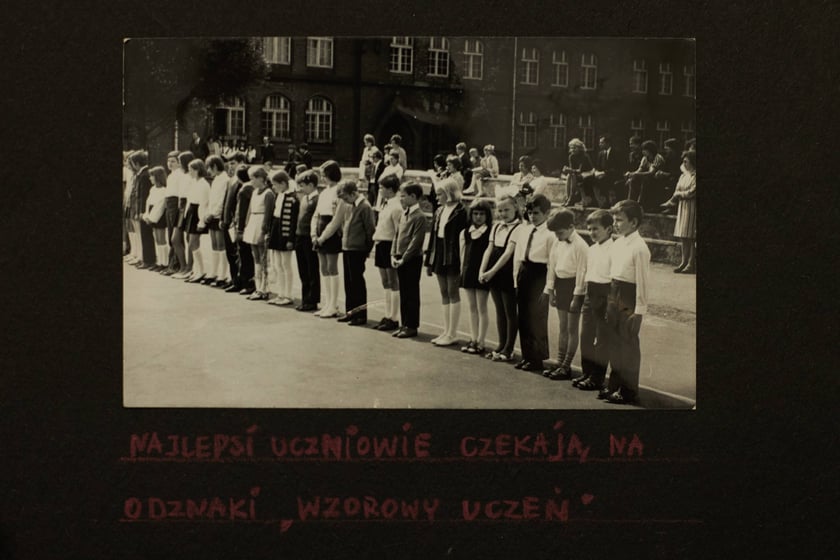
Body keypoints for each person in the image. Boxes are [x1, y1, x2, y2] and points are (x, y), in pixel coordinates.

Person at [602, 199, 650, 405]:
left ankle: (628, 391)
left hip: (629, 296)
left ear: (634, 222)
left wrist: (639, 312)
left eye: (619, 220)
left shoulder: (640, 248)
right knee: (614, 343)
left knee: (627, 344)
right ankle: (615, 385)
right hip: (614, 292)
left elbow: (643, 282)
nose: (615, 223)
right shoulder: (618, 243)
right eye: (614, 219)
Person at [541, 208, 588, 380]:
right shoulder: (557, 241)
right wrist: (550, 290)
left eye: (560, 232)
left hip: (574, 287)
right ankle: (559, 362)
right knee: (562, 327)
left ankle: (566, 365)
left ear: (571, 227)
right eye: (555, 233)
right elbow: (552, 266)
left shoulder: (581, 245)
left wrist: (577, 297)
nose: (557, 236)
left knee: (571, 328)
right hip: (560, 285)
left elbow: (582, 272)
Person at [512, 194, 555, 372]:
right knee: (523, 317)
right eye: (529, 213)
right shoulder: (525, 230)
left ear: (547, 213)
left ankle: (537, 359)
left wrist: (548, 287)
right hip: (524, 272)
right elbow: (518, 256)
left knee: (536, 317)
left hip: (539, 274)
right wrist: (516, 280)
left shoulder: (550, 235)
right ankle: (527, 356)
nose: (532, 216)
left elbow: (552, 263)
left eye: (536, 213)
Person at [574, 209, 614, 392]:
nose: (591, 233)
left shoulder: (614, 250)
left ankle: (597, 378)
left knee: (602, 339)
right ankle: (587, 372)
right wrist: (582, 295)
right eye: (589, 229)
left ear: (609, 229)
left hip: (605, 294)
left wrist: (609, 303)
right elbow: (586, 274)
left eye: (596, 229)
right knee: (586, 336)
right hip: (590, 293)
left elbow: (613, 278)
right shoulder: (591, 249)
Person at [478, 195, 522, 362]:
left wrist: (491, 272)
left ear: (515, 208)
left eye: (507, 210)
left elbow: (508, 253)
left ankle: (509, 349)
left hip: (507, 271)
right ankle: (501, 344)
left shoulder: (519, 227)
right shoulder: (496, 226)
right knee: (499, 310)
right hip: (493, 271)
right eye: (500, 210)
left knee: (510, 311)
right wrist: (482, 270)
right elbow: (489, 249)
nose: (503, 213)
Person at [425, 177, 467, 346]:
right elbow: (433, 238)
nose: (437, 197)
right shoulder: (439, 211)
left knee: (452, 291)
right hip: (439, 252)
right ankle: (446, 330)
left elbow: (463, 238)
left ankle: (452, 333)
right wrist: (429, 261)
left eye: (439, 194)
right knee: (444, 292)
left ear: (449, 193)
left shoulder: (461, 211)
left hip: (453, 254)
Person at [391, 182, 428, 338]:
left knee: (411, 292)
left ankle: (412, 325)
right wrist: (393, 254)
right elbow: (396, 235)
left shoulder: (419, 217)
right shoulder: (403, 214)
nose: (401, 199)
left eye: (403, 196)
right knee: (404, 292)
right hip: (400, 258)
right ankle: (404, 323)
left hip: (412, 259)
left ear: (413, 196)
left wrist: (404, 258)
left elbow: (416, 241)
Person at [335, 180, 375, 325]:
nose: (345, 201)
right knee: (349, 282)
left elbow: (370, 230)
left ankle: (360, 315)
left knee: (357, 283)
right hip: (348, 248)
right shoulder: (349, 206)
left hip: (358, 249)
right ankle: (350, 312)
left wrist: (367, 249)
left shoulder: (365, 207)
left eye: (346, 197)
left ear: (353, 194)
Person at [459, 199, 493, 355]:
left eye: (482, 214)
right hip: (468, 272)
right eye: (475, 214)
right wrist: (462, 272)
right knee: (472, 307)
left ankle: (481, 341)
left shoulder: (490, 232)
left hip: (481, 273)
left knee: (482, 307)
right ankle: (473, 338)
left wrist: (485, 272)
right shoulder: (465, 232)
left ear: (487, 216)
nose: (478, 217)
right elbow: (462, 254)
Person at [312, 161, 345, 318]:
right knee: (323, 268)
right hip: (320, 230)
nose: (322, 178)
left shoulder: (339, 191)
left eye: (324, 175)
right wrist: (314, 234)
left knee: (332, 267)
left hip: (331, 233)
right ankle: (327, 303)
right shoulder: (324, 192)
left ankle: (334, 305)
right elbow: (316, 214)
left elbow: (337, 219)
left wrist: (323, 236)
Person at [371, 174, 403, 331]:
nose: (380, 190)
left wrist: (396, 251)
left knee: (393, 281)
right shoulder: (385, 204)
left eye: (382, 188)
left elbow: (399, 231)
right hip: (381, 243)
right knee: (385, 281)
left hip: (390, 245)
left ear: (390, 189)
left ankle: (394, 317)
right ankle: (387, 314)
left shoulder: (396, 207)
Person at [242, 167, 276, 300]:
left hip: (261, 224)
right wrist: (247, 225)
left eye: (253, 179)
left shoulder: (268, 194)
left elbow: (268, 215)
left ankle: (265, 288)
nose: (251, 181)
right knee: (255, 257)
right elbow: (249, 211)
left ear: (261, 178)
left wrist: (264, 231)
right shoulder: (254, 192)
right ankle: (258, 288)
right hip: (253, 223)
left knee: (263, 258)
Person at [266, 170, 299, 305]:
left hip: (285, 231)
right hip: (276, 228)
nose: (273, 187)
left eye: (275, 184)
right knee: (277, 264)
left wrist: (291, 239)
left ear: (283, 183)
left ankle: (288, 294)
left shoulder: (292, 198)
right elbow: (274, 215)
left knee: (286, 264)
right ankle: (281, 293)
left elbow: (293, 220)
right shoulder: (278, 195)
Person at [661, 150, 696, 274]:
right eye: (683, 161)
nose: (684, 164)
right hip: (683, 207)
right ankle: (683, 262)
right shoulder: (683, 176)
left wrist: (679, 194)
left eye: (686, 161)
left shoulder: (695, 176)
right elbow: (677, 189)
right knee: (683, 236)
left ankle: (691, 264)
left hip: (692, 207)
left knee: (691, 237)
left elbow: (692, 192)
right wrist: (677, 196)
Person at [293, 170, 321, 311]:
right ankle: (305, 298)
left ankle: (312, 300)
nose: (301, 188)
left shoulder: (317, 200)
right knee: (303, 269)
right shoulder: (304, 199)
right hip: (300, 235)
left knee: (311, 269)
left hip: (309, 237)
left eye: (303, 185)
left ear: (311, 185)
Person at [220, 154, 247, 292]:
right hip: (227, 222)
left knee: (239, 254)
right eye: (229, 163)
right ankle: (234, 279)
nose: (230, 166)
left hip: (235, 223)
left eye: (233, 163)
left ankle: (241, 281)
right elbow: (226, 202)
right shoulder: (230, 181)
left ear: (241, 163)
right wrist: (222, 219)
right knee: (230, 253)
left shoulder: (243, 182)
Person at [182, 158, 211, 283]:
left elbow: (204, 204)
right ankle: (196, 270)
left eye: (191, 170)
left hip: (198, 214)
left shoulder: (204, 184)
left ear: (198, 170)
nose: (189, 172)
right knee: (191, 242)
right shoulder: (194, 182)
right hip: (191, 212)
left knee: (193, 243)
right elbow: (189, 200)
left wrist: (201, 221)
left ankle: (201, 271)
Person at [203, 155, 230, 286]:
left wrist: (213, 213)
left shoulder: (225, 180)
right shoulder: (216, 180)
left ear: (214, 166)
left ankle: (222, 275)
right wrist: (208, 213)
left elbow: (222, 201)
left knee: (221, 245)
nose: (208, 171)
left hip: (218, 216)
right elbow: (212, 199)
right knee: (214, 245)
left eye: (209, 167)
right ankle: (213, 272)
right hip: (212, 215)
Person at [171, 151, 195, 279]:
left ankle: (189, 268)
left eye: (180, 162)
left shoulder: (191, 177)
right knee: (175, 239)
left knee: (189, 239)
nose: (179, 164)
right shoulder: (182, 175)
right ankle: (183, 266)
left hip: (188, 205)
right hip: (180, 206)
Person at [233, 165, 256, 295]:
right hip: (251, 224)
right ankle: (249, 282)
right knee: (249, 256)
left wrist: (239, 228)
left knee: (243, 255)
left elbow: (241, 211)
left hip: (243, 226)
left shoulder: (244, 189)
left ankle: (246, 283)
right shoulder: (253, 188)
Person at [141, 166, 169, 271]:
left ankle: (164, 263)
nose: (150, 178)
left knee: (161, 239)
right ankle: (159, 262)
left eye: (152, 176)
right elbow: (148, 203)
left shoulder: (164, 190)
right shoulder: (152, 189)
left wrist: (152, 218)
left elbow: (160, 206)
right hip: (152, 215)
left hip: (159, 216)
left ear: (157, 177)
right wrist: (146, 215)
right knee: (157, 239)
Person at [161, 151, 185, 276]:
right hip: (169, 204)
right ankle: (172, 263)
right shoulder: (171, 175)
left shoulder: (180, 175)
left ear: (179, 163)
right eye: (168, 161)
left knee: (175, 237)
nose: (170, 164)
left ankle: (177, 265)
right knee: (170, 234)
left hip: (175, 204)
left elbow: (180, 193)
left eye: (173, 161)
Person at [562, 138, 595, 207]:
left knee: (572, 175)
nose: (572, 150)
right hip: (578, 174)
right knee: (570, 175)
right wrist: (568, 170)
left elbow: (581, 170)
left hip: (588, 173)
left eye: (575, 148)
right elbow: (572, 169)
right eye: (571, 148)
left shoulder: (584, 156)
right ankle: (568, 197)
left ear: (580, 148)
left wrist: (570, 170)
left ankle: (571, 198)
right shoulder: (571, 156)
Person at [592, 135, 621, 208]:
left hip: (613, 175)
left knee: (603, 180)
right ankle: (596, 201)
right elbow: (597, 166)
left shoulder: (616, 153)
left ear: (607, 143)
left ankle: (606, 202)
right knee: (590, 179)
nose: (600, 144)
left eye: (602, 143)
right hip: (602, 175)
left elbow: (617, 168)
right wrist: (596, 172)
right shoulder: (600, 154)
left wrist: (604, 173)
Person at [624, 136, 644, 201]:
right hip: (631, 176)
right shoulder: (631, 155)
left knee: (633, 182)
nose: (630, 146)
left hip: (641, 177)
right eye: (630, 144)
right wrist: (627, 174)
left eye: (632, 144)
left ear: (638, 145)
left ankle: (630, 202)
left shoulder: (643, 155)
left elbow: (642, 169)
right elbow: (628, 167)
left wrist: (632, 177)